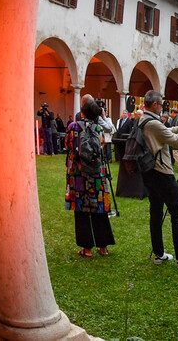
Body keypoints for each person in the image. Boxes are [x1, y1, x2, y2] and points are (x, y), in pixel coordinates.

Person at [138, 90, 178, 268]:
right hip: (162, 172)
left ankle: (159, 254)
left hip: (149, 172)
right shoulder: (153, 123)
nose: (163, 106)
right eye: (161, 104)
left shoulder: (144, 120)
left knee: (156, 212)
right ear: (156, 104)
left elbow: (165, 132)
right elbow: (177, 142)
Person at [65, 99, 115, 257]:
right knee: (99, 209)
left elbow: (68, 145)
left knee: (81, 210)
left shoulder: (73, 127)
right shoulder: (99, 128)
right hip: (96, 174)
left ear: (83, 112)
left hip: (78, 174)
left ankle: (86, 249)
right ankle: (103, 246)